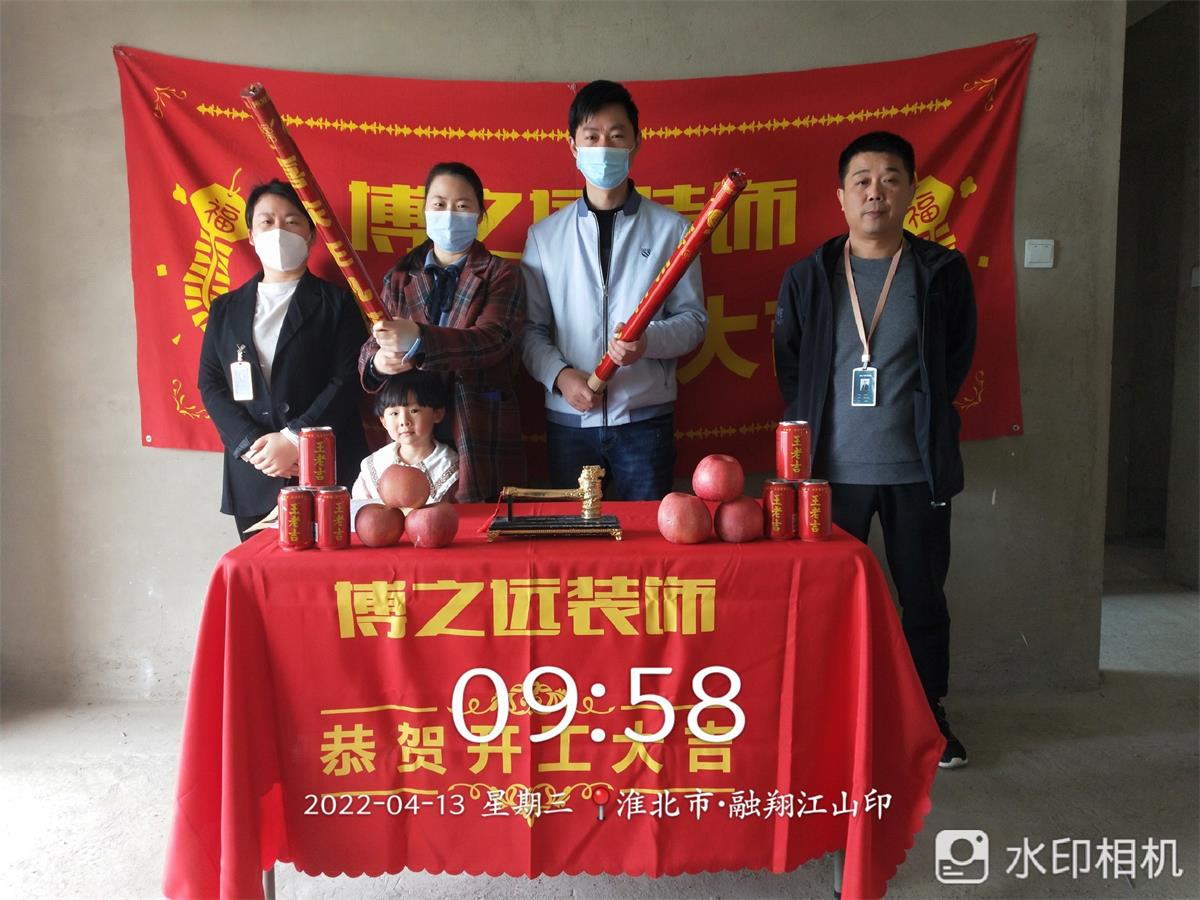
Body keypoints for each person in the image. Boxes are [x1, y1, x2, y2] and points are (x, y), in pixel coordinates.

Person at [773, 131, 977, 769]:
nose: (875, 192)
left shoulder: (940, 272)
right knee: (825, 603)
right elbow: (791, 365)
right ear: (840, 196)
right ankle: (826, 718)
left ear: (911, 191)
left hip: (917, 470)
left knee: (922, 597)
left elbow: (956, 358)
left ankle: (928, 717)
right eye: (861, 180)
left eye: (890, 179)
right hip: (830, 474)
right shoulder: (809, 276)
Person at [521, 79, 707, 500]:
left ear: (636, 143)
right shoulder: (544, 237)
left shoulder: (674, 231)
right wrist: (560, 376)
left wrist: (648, 341)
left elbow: (694, 322)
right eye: (592, 137)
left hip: (644, 422)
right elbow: (529, 330)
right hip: (570, 421)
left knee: (648, 537)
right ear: (573, 146)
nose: (604, 147)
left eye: (617, 135)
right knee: (574, 538)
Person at [198, 179, 368, 541]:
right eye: (267, 222)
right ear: (251, 235)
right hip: (254, 472)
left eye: (292, 221)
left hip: (326, 467)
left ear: (310, 234)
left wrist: (294, 438)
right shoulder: (225, 309)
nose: (279, 231)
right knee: (262, 571)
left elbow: (347, 378)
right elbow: (211, 384)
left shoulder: (337, 302)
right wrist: (252, 445)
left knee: (331, 570)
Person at [359, 162, 526, 503]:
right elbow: (373, 341)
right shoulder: (400, 276)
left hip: (477, 422)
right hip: (413, 426)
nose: (449, 214)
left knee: (479, 522)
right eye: (439, 204)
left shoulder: (501, 274)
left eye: (462, 205)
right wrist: (378, 362)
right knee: (410, 517)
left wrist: (419, 339)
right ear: (424, 210)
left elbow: (491, 341)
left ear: (480, 214)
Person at [351, 370, 458, 503]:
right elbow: (359, 505)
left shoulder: (451, 466)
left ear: (437, 414)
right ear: (384, 421)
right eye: (394, 413)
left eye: (414, 411)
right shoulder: (375, 464)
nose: (404, 421)